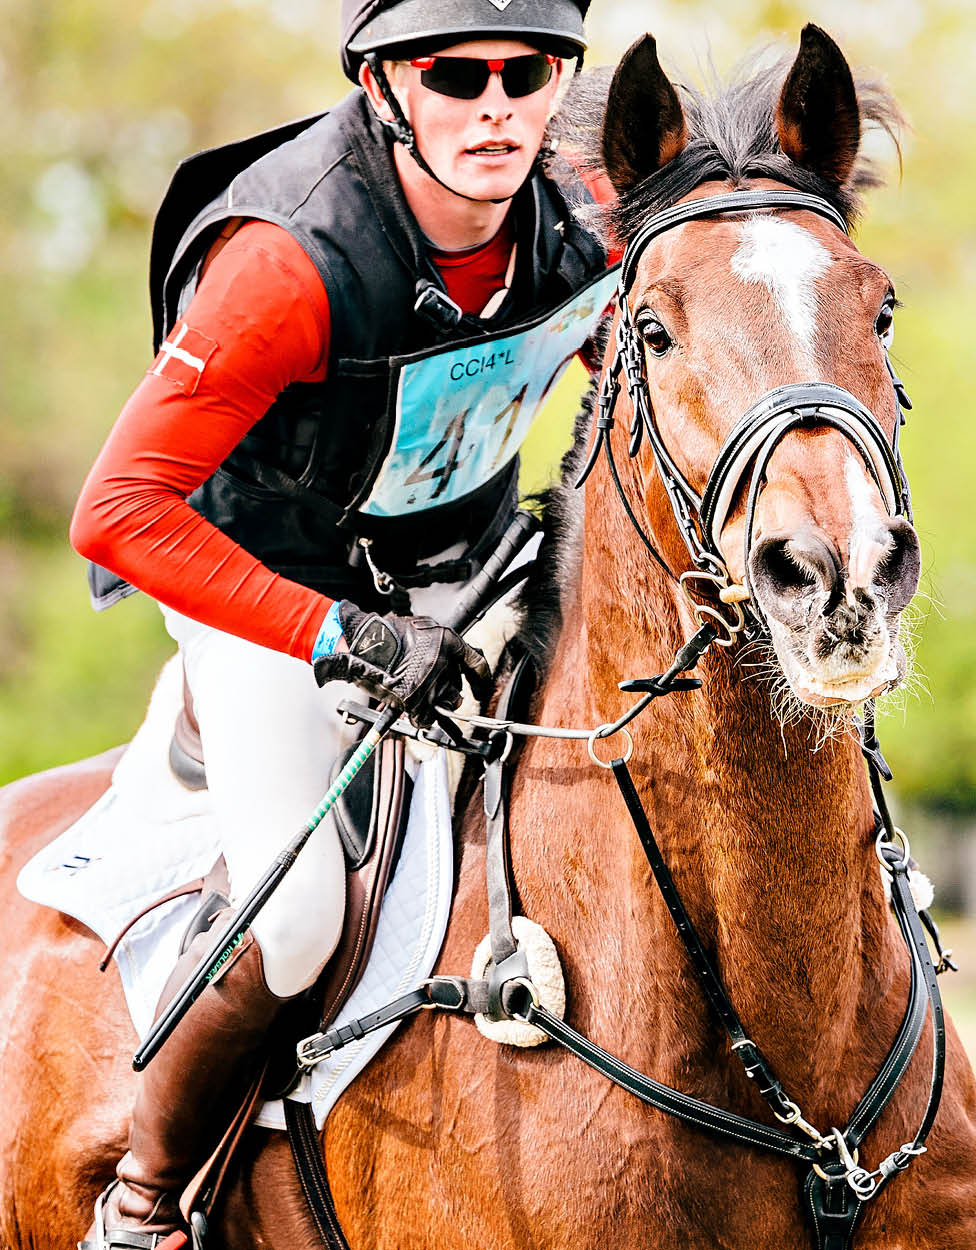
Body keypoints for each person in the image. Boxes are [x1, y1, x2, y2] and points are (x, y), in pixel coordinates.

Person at [68, 2, 616, 1245]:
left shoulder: (589, 215)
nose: (495, 105)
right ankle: (145, 1202)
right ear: (382, 85)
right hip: (267, 584)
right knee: (299, 906)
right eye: (456, 74)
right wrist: (341, 636)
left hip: (465, 568)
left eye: (525, 72)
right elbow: (114, 513)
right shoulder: (286, 261)